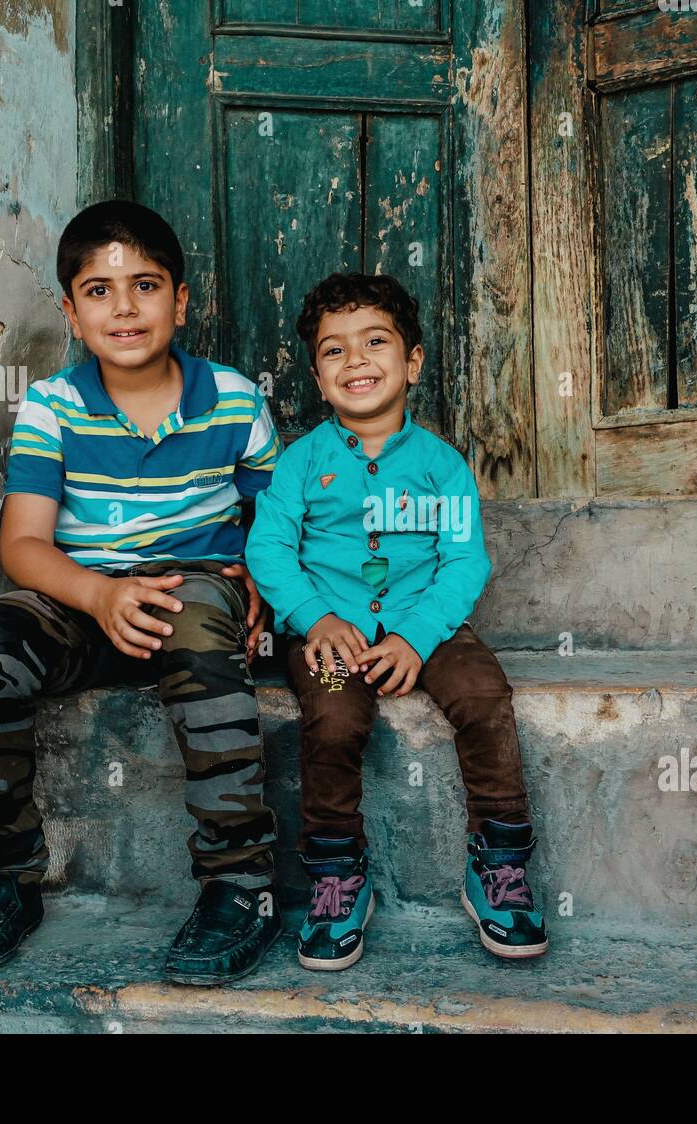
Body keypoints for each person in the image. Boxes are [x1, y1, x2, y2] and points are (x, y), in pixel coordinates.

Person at [0, 201, 282, 985]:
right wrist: (96, 597)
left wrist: (263, 573)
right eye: (98, 291)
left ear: (181, 300)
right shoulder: (52, 408)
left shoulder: (233, 398)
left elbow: (276, 515)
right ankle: (3, 877)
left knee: (193, 610)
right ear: (70, 310)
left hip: (197, 593)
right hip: (86, 603)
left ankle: (240, 883)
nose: (124, 308)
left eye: (146, 285)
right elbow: (23, 545)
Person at [246, 272, 548, 970]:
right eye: (334, 351)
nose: (355, 361)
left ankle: (499, 865)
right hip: (327, 630)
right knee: (334, 715)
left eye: (374, 342)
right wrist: (314, 618)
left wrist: (416, 636)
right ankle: (337, 872)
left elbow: (465, 561)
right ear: (319, 379)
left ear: (411, 362)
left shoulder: (442, 467)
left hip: (429, 623)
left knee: (482, 694)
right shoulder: (302, 463)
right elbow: (268, 546)